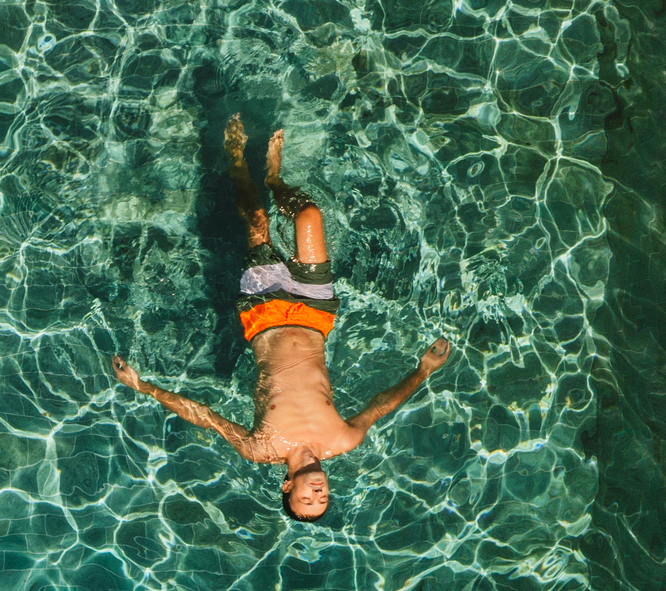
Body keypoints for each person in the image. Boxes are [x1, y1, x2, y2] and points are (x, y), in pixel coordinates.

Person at [110, 116, 450, 520]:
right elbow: (380, 406)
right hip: (315, 314)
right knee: (308, 216)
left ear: (287, 487)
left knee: (257, 222)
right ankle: (275, 179)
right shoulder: (344, 440)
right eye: (322, 499)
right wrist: (423, 371)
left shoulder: (262, 449)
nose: (318, 493)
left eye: (306, 499)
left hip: (264, 315)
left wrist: (144, 386)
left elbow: (203, 416)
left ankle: (237, 161)